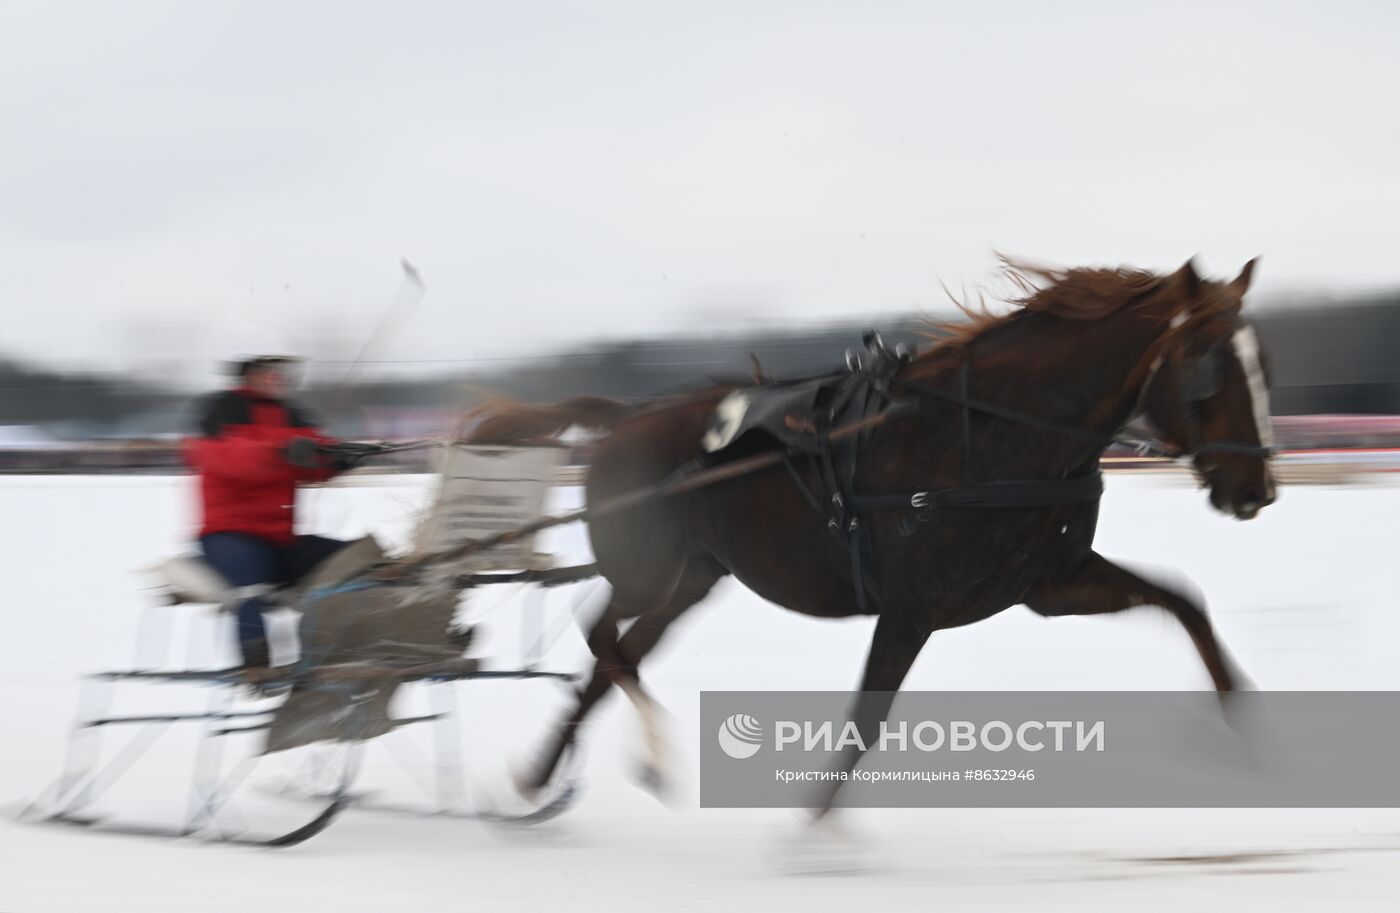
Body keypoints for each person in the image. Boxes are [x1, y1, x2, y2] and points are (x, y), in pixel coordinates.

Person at [184, 354, 349, 671]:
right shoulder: (220, 413)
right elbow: (235, 459)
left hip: (281, 542)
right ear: (247, 374)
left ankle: (371, 645)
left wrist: (338, 459)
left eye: (282, 371)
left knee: (358, 562)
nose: (278, 377)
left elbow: (315, 461)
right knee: (251, 583)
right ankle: (256, 663)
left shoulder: (293, 416)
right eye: (269, 371)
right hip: (228, 537)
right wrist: (283, 452)